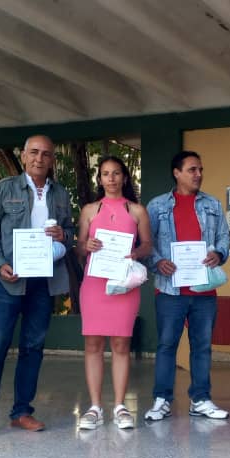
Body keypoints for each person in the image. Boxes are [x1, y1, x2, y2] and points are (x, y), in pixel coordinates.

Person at [0, 135, 75, 436]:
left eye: (46, 154)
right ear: (23, 155)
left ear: (52, 159)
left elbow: (69, 231)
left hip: (43, 282)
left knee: (33, 348)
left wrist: (63, 236)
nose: (39, 158)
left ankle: (21, 411)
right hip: (8, 281)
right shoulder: (6, 189)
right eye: (34, 153)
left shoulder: (61, 194)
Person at [144, 150, 230, 421]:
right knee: (167, 345)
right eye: (192, 169)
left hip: (204, 290)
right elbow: (147, 243)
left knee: (202, 346)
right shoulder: (157, 206)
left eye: (200, 169)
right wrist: (158, 262)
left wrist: (219, 253)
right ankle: (162, 400)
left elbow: (224, 237)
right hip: (170, 290)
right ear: (177, 173)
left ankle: (201, 399)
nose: (198, 174)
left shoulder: (213, 205)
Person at [75, 156, 153, 430]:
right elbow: (79, 248)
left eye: (116, 173)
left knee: (121, 345)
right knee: (93, 345)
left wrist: (135, 252)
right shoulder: (89, 210)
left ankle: (120, 406)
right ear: (100, 179)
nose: (111, 178)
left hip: (124, 284)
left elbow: (147, 246)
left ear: (124, 177)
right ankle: (95, 407)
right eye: (106, 174)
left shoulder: (137, 211)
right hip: (94, 285)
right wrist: (88, 246)